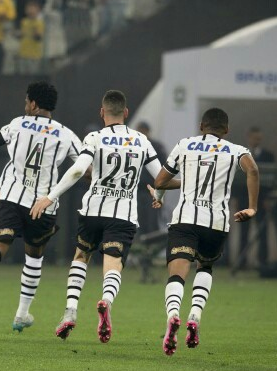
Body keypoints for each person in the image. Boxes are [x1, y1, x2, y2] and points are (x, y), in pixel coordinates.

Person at [30, 89, 178, 343]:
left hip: (93, 210)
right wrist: (160, 195)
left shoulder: (95, 137)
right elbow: (162, 179)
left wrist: (49, 197)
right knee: (113, 263)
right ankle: (106, 301)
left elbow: (78, 170)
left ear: (102, 112)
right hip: (122, 215)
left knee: (81, 256)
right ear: (126, 113)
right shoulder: (141, 140)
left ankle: (70, 311)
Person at [0, 81, 83, 332]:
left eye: (26, 101)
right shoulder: (66, 134)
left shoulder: (17, 124)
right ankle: (21, 314)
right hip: (42, 206)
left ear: (33, 103)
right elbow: (84, 169)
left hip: (9, 198)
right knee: (34, 256)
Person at [150, 108, 259, 356]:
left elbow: (160, 181)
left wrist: (184, 182)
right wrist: (252, 207)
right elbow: (252, 170)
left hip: (185, 221)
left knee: (177, 274)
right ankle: (195, 317)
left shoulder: (185, 145)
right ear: (227, 130)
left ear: (201, 126)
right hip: (216, 224)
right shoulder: (236, 150)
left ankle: (173, 314)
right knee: (205, 267)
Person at [233, 126, 275, 271]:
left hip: (261, 200)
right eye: (255, 138)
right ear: (248, 137)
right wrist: (236, 198)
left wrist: (267, 199)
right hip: (244, 199)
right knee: (243, 231)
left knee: (262, 232)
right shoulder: (240, 155)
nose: (257, 141)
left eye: (259, 139)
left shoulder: (269, 156)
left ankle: (263, 262)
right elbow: (237, 179)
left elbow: (271, 179)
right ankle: (241, 262)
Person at [17, 0, 44, 74]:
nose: (31, 11)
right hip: (23, 53)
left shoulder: (39, 23)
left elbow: (38, 38)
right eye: (29, 9)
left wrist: (36, 33)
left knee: (32, 75)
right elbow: (22, 35)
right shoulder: (24, 22)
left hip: (34, 55)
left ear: (38, 11)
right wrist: (19, 34)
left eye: (33, 10)